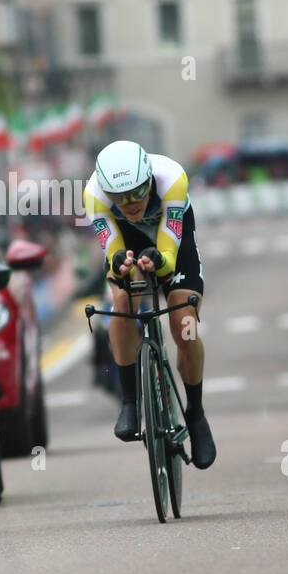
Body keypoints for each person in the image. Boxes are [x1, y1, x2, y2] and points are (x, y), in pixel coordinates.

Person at [82, 140, 215, 469]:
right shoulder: (93, 195)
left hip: (172, 242)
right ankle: (129, 401)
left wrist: (160, 259)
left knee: (184, 324)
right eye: (119, 197)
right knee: (122, 301)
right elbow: (112, 255)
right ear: (106, 191)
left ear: (150, 181)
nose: (129, 204)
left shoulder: (172, 177)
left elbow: (169, 256)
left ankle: (196, 414)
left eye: (137, 193)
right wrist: (119, 264)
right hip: (126, 240)